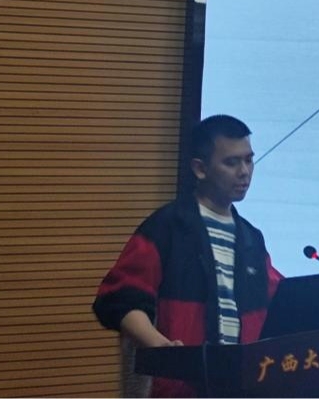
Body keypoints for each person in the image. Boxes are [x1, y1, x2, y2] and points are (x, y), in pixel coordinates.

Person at [94, 115, 283, 394]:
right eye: (231, 162)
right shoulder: (166, 227)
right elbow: (119, 298)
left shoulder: (251, 238)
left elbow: (281, 300)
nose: (244, 172)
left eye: (248, 160)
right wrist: (161, 346)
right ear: (200, 169)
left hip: (239, 386)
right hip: (177, 387)